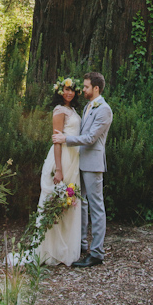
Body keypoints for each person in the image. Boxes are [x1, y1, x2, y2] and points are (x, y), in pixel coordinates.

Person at [53, 71, 113, 267]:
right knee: (81, 204)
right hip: (81, 162)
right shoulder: (89, 106)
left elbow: (90, 139)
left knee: (96, 207)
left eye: (86, 87)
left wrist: (65, 139)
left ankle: (96, 253)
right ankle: (81, 244)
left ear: (96, 88)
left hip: (93, 165)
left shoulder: (104, 109)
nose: (83, 89)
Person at [35, 77, 82, 266]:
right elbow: (56, 140)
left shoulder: (72, 110)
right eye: (66, 90)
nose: (69, 93)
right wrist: (59, 169)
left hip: (74, 159)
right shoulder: (59, 111)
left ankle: (66, 249)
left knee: (69, 202)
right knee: (57, 201)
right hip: (62, 158)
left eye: (72, 90)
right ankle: (50, 250)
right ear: (60, 91)